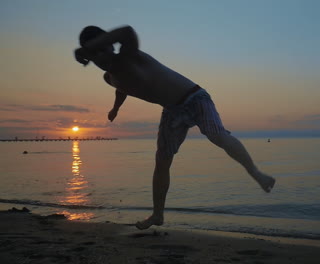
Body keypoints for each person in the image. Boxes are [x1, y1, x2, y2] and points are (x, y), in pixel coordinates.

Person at [74, 25, 275, 230]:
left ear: (110, 45)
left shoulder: (129, 56)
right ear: (90, 59)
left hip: (194, 97)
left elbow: (127, 32)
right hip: (172, 110)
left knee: (217, 135)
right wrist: (115, 109)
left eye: (102, 48)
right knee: (162, 160)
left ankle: (256, 173)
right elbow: (121, 88)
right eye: (94, 55)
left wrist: (89, 47)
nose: (100, 57)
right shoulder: (109, 77)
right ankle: (157, 215)